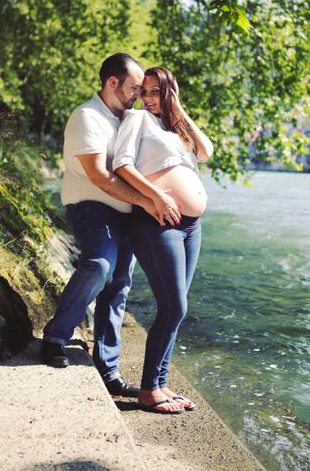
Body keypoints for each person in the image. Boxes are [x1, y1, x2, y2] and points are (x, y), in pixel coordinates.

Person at [41, 54, 181, 398]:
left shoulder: (130, 119)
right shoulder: (87, 117)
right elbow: (100, 177)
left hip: (126, 213)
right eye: (134, 87)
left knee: (120, 283)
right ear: (112, 83)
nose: (139, 94)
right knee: (100, 266)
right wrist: (150, 201)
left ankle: (108, 370)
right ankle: (56, 336)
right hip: (91, 205)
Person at [112, 66, 213, 414]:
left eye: (158, 91)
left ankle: (160, 384)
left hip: (191, 226)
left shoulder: (177, 127)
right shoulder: (137, 120)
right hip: (158, 221)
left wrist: (178, 108)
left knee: (176, 309)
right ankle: (147, 390)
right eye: (146, 91)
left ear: (170, 92)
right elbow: (122, 165)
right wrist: (157, 196)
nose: (150, 98)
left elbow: (206, 152)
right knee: (175, 306)